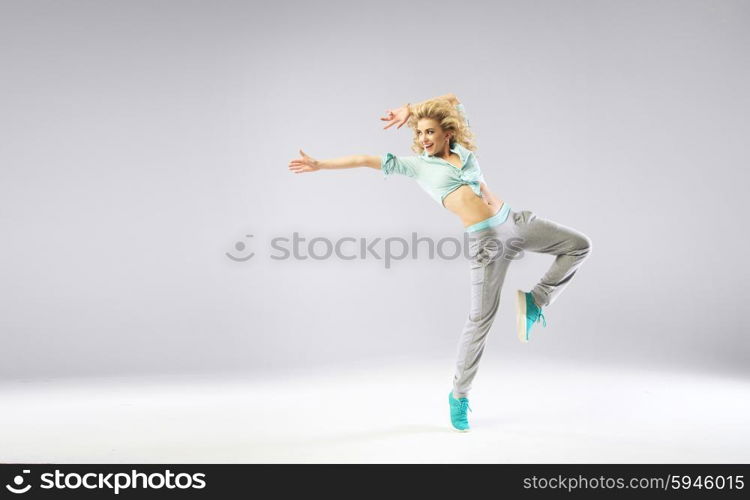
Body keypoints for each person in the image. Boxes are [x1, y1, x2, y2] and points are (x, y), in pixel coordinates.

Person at [288, 93, 592, 432]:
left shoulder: (462, 150)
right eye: (418, 134)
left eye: (429, 132)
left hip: (515, 222)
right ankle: (459, 396)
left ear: (447, 132)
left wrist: (410, 109)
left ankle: (536, 301)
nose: (423, 139)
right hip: (486, 245)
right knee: (480, 321)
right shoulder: (418, 166)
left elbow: (453, 98)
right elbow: (365, 159)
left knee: (578, 246)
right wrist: (321, 164)